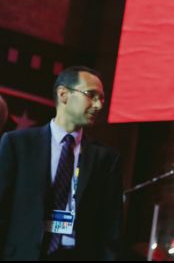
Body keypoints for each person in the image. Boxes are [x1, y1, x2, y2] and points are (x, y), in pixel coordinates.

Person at [0, 66, 123, 261]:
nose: (99, 105)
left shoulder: (106, 160)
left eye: (102, 98)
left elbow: (110, 228)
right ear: (64, 95)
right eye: (91, 95)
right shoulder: (18, 144)